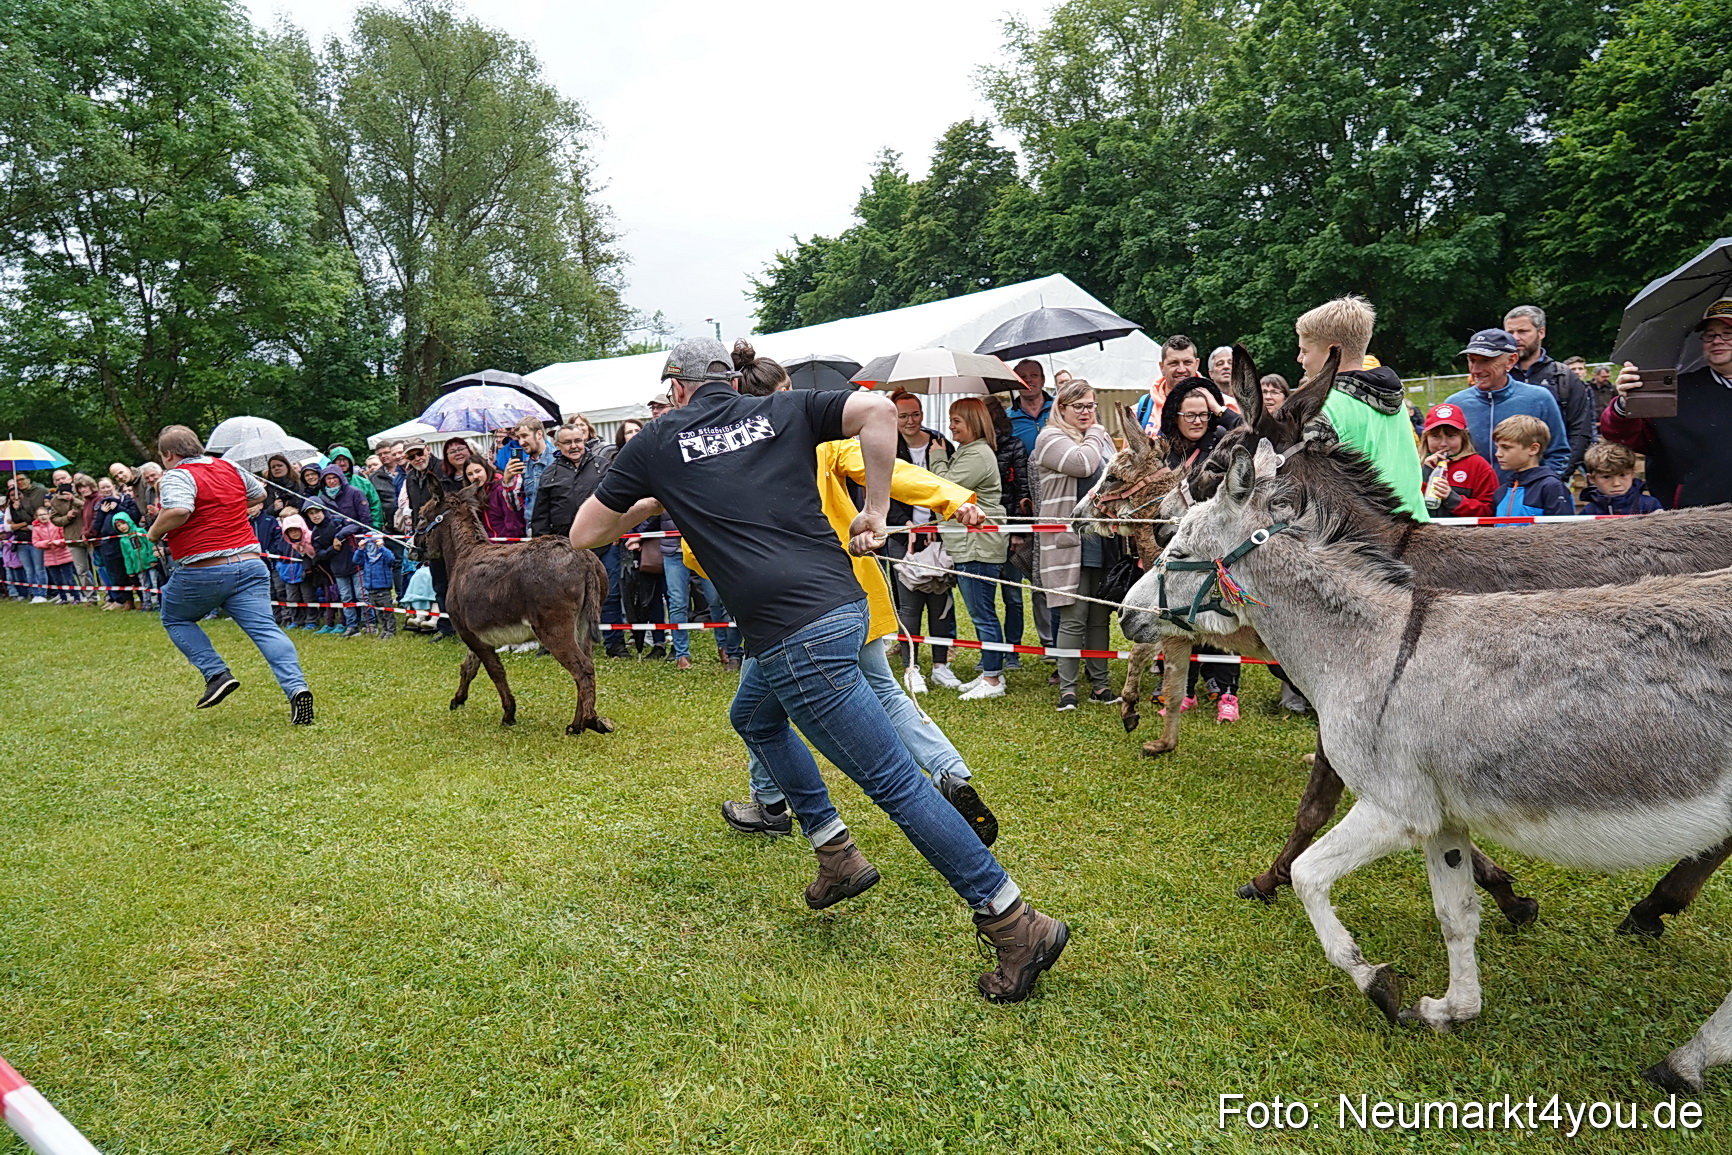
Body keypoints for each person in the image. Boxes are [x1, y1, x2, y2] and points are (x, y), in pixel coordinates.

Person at [569, 336, 1066, 1002]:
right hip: (839, 605)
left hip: (792, 635)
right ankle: (834, 851)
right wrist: (878, 509)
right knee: (751, 716)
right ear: (733, 380)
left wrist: (656, 500)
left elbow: (584, 533)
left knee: (896, 783)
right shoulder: (782, 411)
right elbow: (881, 415)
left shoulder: (658, 442)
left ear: (678, 387)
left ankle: (1013, 920)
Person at [143, 426, 313, 721]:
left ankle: (216, 674)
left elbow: (179, 510)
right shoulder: (228, 466)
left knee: (175, 617)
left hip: (203, 568)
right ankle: (297, 688)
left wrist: (154, 532)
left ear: (169, 454)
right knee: (266, 630)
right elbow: (259, 493)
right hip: (249, 564)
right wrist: (227, 507)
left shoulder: (178, 475)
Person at [1295, 296, 1431, 518]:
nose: (1300, 359)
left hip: (1366, 544)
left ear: (1332, 353)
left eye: (1305, 351)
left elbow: (1309, 496)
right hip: (1415, 531)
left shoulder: (1320, 408)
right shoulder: (1391, 397)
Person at [1159, 376, 1245, 719]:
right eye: (1189, 414)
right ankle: (1185, 691)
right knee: (1179, 617)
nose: (1197, 421)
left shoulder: (1223, 441)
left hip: (1219, 549)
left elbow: (1252, 431)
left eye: (1203, 414)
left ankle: (1227, 693)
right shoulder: (1166, 451)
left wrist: (1220, 410)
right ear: (1175, 415)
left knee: (1222, 619)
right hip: (1177, 549)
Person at [1035, 379, 1118, 711]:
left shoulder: (1099, 440)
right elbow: (1083, 463)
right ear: (1062, 408)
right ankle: (1067, 689)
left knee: (1099, 617)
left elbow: (1116, 472)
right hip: (1067, 544)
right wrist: (1097, 431)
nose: (1087, 413)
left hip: (1102, 539)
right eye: (1079, 406)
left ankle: (1101, 685)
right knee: (1073, 617)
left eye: (1092, 405)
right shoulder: (1049, 438)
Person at [1603, 296, 1732, 508]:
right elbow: (1623, 436)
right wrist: (1626, 403)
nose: (1717, 340)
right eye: (1710, 335)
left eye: (1727, 334)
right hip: (1696, 517)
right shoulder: (1676, 390)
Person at [931, 397, 1009, 700]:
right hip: (970, 545)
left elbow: (944, 486)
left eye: (957, 421)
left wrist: (936, 456)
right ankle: (990, 673)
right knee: (982, 613)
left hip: (978, 546)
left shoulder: (977, 454)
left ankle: (993, 680)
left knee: (983, 615)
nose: (951, 427)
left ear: (974, 423)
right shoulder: (971, 451)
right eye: (950, 420)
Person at [527, 420, 625, 655]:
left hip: (603, 542)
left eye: (578, 441)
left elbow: (620, 501)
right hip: (565, 548)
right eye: (568, 442)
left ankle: (615, 644)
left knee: (608, 593)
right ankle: (559, 643)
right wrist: (544, 547)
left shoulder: (603, 466)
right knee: (561, 598)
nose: (574, 446)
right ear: (557, 445)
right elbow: (540, 516)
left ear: (585, 440)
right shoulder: (550, 473)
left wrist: (618, 532)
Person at [887, 388, 957, 691]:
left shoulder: (941, 444)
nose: (911, 420)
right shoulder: (886, 444)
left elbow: (951, 486)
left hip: (939, 536)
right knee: (909, 605)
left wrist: (936, 523)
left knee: (941, 600)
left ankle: (941, 665)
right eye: (903, 416)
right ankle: (911, 668)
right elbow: (879, 490)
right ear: (893, 418)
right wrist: (905, 524)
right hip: (902, 536)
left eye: (916, 413)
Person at [1443, 328, 1569, 485]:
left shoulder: (1539, 399)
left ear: (1510, 361)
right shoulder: (1454, 404)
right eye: (1472, 360)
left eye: (1485, 361)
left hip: (1522, 502)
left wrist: (1538, 489)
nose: (1475, 370)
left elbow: (1559, 453)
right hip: (1470, 503)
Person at [1504, 305, 1594, 478]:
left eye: (1523, 331)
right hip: (1505, 477)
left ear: (1541, 333)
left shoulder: (1563, 377)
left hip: (1553, 474)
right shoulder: (1498, 376)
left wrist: (1557, 475)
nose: (1516, 338)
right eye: (1510, 332)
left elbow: (1580, 430)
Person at [987, 397, 1032, 668]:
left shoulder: (1014, 446)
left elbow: (1021, 490)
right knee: (987, 595)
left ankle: (1012, 650)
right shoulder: (972, 448)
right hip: (986, 531)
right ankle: (993, 650)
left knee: (1013, 595)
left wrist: (1017, 530)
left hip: (1010, 528)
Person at [1418, 403, 1498, 517]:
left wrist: (1453, 499)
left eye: (1451, 436)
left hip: (1464, 533)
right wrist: (1425, 475)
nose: (1443, 444)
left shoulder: (1478, 466)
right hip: (1422, 533)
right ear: (1425, 438)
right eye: (1435, 436)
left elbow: (1489, 512)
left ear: (1463, 437)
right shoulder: (1414, 465)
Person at [1490, 415, 1573, 517]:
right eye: (1497, 447)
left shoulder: (1551, 487)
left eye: (1506, 447)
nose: (1498, 454)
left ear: (1533, 449)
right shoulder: (1501, 492)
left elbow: (1564, 530)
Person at [1135, 335, 1202, 434]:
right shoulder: (1140, 410)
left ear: (1197, 364)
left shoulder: (1221, 405)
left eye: (1187, 362)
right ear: (1161, 367)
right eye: (1174, 363)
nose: (1181, 370)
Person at [1578, 441, 1663, 516]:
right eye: (1606, 477)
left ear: (1632, 474)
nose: (1616, 484)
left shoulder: (1649, 505)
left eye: (1622, 475)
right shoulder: (1589, 511)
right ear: (1591, 478)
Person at [52, 473, 96, 603]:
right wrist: (66, 517)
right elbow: (54, 519)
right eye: (57, 479)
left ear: (70, 479)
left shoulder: (83, 491)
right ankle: (90, 598)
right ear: (54, 483)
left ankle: (110, 596)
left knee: (99, 566)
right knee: (81, 570)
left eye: (63, 478)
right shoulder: (55, 500)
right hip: (72, 537)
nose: (60, 481)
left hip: (90, 534)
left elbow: (90, 508)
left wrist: (73, 499)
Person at [272, 511, 318, 629]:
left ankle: (311, 620)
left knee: (308, 597)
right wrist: (280, 568)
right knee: (292, 598)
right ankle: (297, 620)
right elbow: (279, 554)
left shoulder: (308, 541)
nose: (294, 533)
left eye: (296, 530)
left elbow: (313, 557)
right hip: (288, 575)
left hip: (304, 575)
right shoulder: (284, 542)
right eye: (290, 531)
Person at [8, 472, 51, 600]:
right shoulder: (17, 497)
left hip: (38, 534)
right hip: (22, 538)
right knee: (29, 569)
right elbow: (12, 523)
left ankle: (42, 593)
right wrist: (17, 509)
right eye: (17, 481)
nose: (20, 482)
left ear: (29, 480)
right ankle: (34, 593)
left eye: (22, 479)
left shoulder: (41, 491)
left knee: (39, 568)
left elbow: (41, 514)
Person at [462, 458, 525, 540]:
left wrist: (509, 544)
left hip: (507, 544)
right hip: (488, 546)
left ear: (486, 469)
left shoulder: (500, 489)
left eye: (478, 471)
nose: (475, 476)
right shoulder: (472, 495)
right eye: (470, 474)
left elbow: (513, 520)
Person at [356, 532, 402, 636]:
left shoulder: (383, 556)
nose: (371, 547)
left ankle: (391, 631)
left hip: (383, 590)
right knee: (379, 613)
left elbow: (391, 559)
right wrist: (360, 549)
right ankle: (384, 629)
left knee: (387, 612)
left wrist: (382, 547)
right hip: (371, 590)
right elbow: (355, 560)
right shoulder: (365, 556)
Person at [327, 445, 382, 527]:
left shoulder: (363, 482)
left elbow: (375, 506)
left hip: (364, 529)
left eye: (345, 459)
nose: (342, 463)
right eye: (338, 460)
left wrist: (375, 528)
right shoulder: (327, 484)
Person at [30, 504, 75, 603]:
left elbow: (65, 538)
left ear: (49, 514)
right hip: (50, 558)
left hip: (64, 555)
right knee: (58, 580)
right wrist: (46, 543)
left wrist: (58, 542)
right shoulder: (36, 529)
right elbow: (35, 542)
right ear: (37, 517)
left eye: (44, 514)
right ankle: (63, 598)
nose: (43, 516)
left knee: (70, 578)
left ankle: (76, 596)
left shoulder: (56, 524)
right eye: (40, 515)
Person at [1007, 360, 1052, 456]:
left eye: (1034, 375)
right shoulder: (1006, 418)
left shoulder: (1061, 408)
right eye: (1022, 377)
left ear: (1043, 380)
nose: (1028, 380)